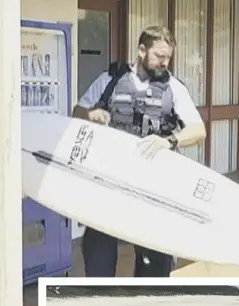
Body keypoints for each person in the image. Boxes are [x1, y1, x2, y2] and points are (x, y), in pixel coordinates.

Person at [72, 25, 207, 277]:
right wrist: (92, 114)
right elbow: (77, 112)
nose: (165, 63)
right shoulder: (110, 79)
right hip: (108, 185)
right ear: (142, 50)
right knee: (98, 260)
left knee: (154, 268)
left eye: (168, 57)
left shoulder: (173, 88)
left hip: (152, 189)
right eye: (159, 56)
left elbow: (198, 130)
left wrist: (170, 140)